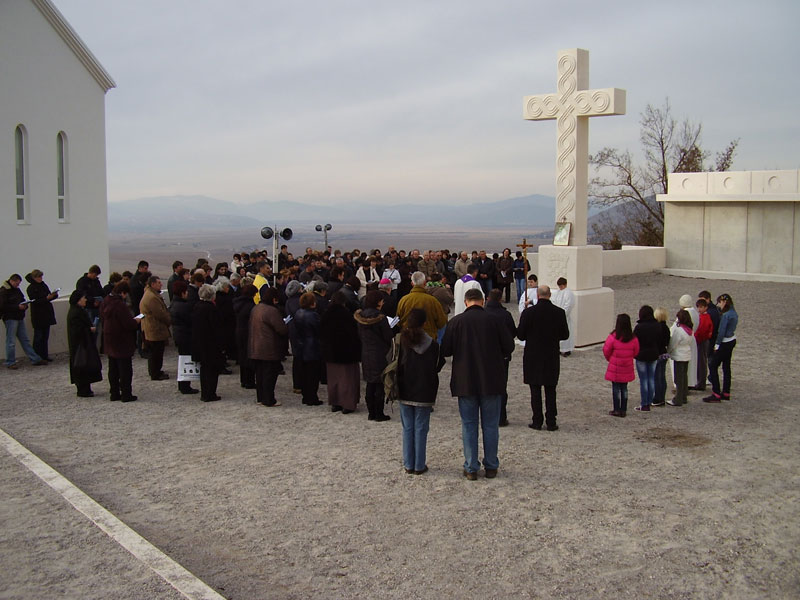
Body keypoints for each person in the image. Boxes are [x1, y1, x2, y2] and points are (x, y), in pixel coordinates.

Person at [441, 288, 515, 480]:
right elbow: (509, 346)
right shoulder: (495, 321)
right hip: (492, 379)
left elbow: (446, 350)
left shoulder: (456, 322)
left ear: (466, 302)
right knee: (490, 425)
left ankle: (471, 466)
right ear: (483, 301)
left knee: (469, 425)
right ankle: (491, 465)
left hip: (465, 380)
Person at [516, 284, 569, 431]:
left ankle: (537, 420)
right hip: (551, 354)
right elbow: (565, 335)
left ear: (537, 296)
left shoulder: (528, 313)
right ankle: (551, 421)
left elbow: (520, 334)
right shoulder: (559, 313)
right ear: (550, 295)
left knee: (535, 389)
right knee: (551, 389)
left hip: (533, 354)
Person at [398, 308, 444, 475]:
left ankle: (408, 463)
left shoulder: (400, 341)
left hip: (404, 388)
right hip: (425, 389)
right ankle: (419, 464)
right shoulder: (433, 345)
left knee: (407, 427)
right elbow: (438, 365)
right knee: (421, 427)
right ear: (425, 323)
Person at [320, 291, 362, 414]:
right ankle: (347, 404)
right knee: (347, 380)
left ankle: (335, 402)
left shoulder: (326, 315)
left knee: (334, 379)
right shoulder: (347, 316)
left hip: (331, 352)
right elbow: (354, 335)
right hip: (347, 352)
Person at [354, 290, 393, 422]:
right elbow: (387, 336)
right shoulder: (380, 318)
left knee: (370, 383)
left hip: (366, 352)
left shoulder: (360, 317)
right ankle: (379, 412)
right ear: (378, 302)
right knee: (379, 384)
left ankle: (371, 412)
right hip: (379, 353)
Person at [101, 281, 142, 402]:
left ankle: (114, 393)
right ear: (123, 293)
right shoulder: (120, 305)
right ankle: (126, 394)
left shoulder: (106, 301)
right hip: (122, 340)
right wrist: (136, 321)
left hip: (109, 337)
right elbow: (128, 324)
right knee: (125, 369)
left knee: (113, 368)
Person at [249, 286, 289, 407]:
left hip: (256, 346)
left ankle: (261, 397)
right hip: (269, 347)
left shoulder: (256, 308)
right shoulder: (271, 311)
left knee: (260, 375)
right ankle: (269, 399)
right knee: (269, 375)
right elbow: (281, 329)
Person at [484, 289, 516, 426]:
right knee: (501, 386)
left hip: (484, 355)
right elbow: (513, 333)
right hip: (501, 355)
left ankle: (487, 415)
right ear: (500, 299)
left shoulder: (483, 314)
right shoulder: (505, 315)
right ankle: (501, 417)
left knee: (485, 385)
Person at [1, 274, 46, 369]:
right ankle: (10, 362)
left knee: (24, 339)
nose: (18, 285)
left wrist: (24, 305)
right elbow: (3, 306)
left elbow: (22, 299)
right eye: (17, 283)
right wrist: (17, 307)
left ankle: (35, 358)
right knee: (11, 341)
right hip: (10, 318)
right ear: (12, 281)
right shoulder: (4, 291)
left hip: (19, 316)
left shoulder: (15, 290)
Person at [192, 284, 225, 402]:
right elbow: (217, 328)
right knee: (212, 370)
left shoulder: (197, 306)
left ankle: (205, 392)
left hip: (200, 342)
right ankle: (210, 393)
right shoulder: (211, 309)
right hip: (211, 344)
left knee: (204, 369)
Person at [67, 290, 102, 397]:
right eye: (83, 298)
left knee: (82, 365)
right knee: (82, 364)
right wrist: (89, 329)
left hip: (80, 344)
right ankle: (83, 389)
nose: (85, 300)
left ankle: (84, 388)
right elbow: (78, 330)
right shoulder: (76, 312)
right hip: (80, 345)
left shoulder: (76, 311)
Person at [603, 313, 640, 417]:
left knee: (616, 389)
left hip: (615, 366)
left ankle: (616, 409)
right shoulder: (633, 338)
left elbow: (606, 350)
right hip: (627, 366)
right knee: (624, 388)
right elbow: (636, 351)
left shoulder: (613, 337)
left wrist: (610, 359)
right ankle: (623, 409)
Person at [704, 293, 738, 403]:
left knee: (713, 366)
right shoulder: (734, 313)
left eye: (720, 302)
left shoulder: (726, 315)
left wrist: (717, 345)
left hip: (724, 342)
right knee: (726, 367)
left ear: (724, 302)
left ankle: (716, 393)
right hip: (731, 340)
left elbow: (721, 331)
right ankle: (726, 391)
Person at [293, 292, 324, 406]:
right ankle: (312, 397)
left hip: (301, 345)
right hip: (312, 347)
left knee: (305, 373)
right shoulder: (313, 316)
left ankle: (306, 396)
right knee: (313, 375)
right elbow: (319, 330)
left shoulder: (298, 313)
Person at [169, 280, 199, 395]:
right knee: (186, 361)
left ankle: (184, 385)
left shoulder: (174, 303)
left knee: (183, 360)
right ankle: (185, 385)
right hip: (185, 336)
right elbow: (190, 320)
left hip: (180, 335)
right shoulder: (183, 306)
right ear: (182, 293)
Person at [397, 272, 447, 340]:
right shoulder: (432, 301)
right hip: (428, 339)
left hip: (408, 338)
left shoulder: (403, 300)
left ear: (412, 284)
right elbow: (441, 322)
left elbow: (398, 321)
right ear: (424, 283)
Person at [140, 275, 171, 380]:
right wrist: (169, 320)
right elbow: (160, 314)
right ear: (152, 284)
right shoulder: (152, 297)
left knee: (155, 352)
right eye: (158, 283)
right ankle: (155, 373)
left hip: (152, 328)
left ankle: (155, 371)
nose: (161, 284)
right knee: (156, 353)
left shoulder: (150, 295)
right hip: (155, 329)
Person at [633, 305, 661, 411]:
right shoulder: (657, 325)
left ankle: (644, 403)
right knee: (651, 379)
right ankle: (649, 401)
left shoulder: (639, 327)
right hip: (653, 354)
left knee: (644, 380)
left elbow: (634, 341)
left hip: (642, 355)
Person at [25, 269, 58, 361]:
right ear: (34, 277)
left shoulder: (43, 285)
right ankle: (37, 357)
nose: (41, 278)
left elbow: (47, 296)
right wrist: (46, 298)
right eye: (39, 277)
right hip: (38, 315)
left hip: (46, 313)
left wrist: (54, 295)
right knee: (38, 337)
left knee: (45, 337)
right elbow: (35, 301)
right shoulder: (31, 288)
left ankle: (44, 355)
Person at [233, 283, 258, 390]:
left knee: (242, 356)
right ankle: (249, 381)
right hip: (248, 332)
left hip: (239, 330)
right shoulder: (250, 306)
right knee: (249, 357)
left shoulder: (237, 303)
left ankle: (243, 380)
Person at [667, 309, 694, 407]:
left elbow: (673, 342)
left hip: (679, 355)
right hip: (686, 353)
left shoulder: (679, 330)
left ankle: (678, 399)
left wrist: (668, 351)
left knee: (678, 378)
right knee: (684, 376)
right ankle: (683, 396)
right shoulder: (690, 329)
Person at [691, 298, 714, 392]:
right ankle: (700, 381)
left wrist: (697, 338)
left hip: (702, 341)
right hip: (703, 340)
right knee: (701, 361)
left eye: (701, 307)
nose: (699, 309)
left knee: (701, 362)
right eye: (698, 307)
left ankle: (701, 382)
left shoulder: (704, 317)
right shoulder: (705, 316)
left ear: (705, 307)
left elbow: (702, 330)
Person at [678, 294, 699, 388]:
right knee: (692, 363)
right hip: (692, 337)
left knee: (683, 367)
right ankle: (691, 382)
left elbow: (677, 327)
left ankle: (683, 385)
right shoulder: (694, 311)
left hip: (683, 340)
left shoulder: (684, 313)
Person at [652, 307, 671, 407]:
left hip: (658, 354)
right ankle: (661, 396)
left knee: (657, 377)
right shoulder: (666, 328)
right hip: (664, 353)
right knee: (662, 376)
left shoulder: (657, 328)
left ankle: (658, 398)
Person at [552, 277, 575, 356]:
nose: (560, 287)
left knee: (566, 332)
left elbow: (568, 305)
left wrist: (562, 314)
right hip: (557, 316)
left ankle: (567, 349)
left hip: (565, 316)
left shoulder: (568, 293)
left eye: (561, 286)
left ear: (565, 284)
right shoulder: (557, 292)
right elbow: (554, 302)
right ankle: (560, 348)